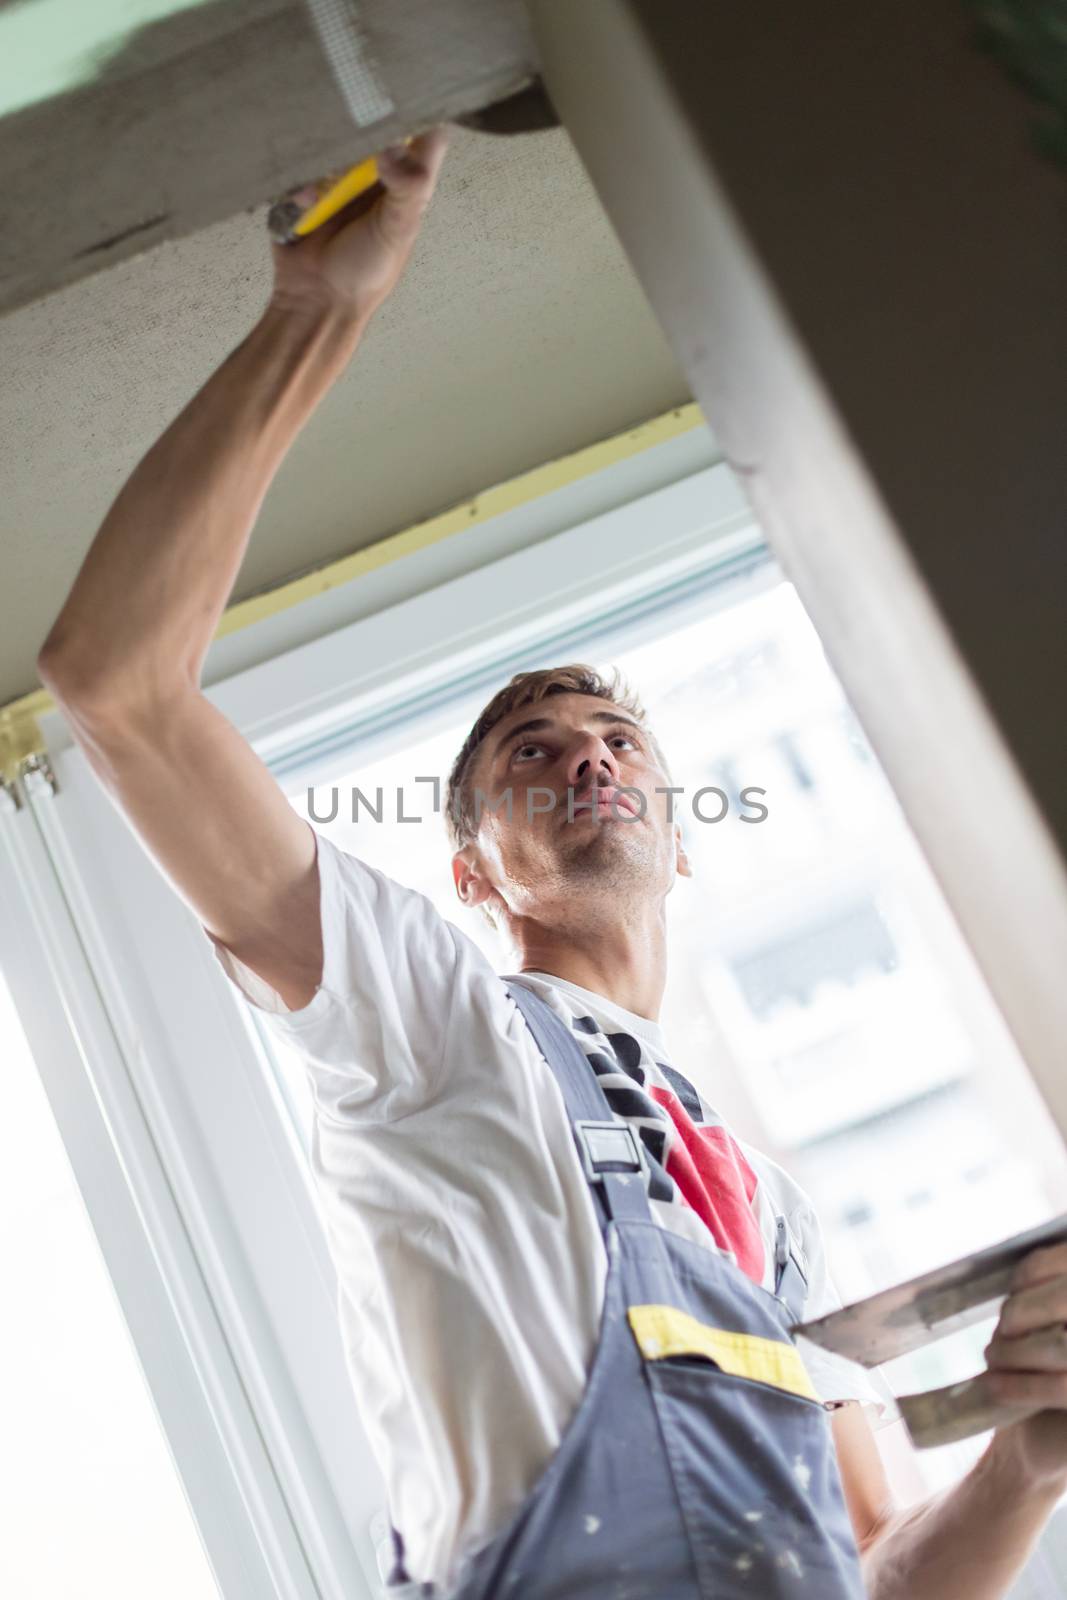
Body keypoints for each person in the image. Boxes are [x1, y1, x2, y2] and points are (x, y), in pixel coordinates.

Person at [37, 126, 1067, 1599]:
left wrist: (1027, 1463)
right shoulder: (432, 1023)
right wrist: (320, 312)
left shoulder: (774, 1223)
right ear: (475, 878)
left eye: (615, 744)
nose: (588, 757)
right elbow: (117, 679)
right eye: (532, 753)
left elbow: (877, 1572)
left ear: (681, 840)